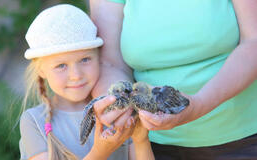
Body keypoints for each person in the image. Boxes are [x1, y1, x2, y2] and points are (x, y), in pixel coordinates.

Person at [90, 0, 257, 159]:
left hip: (240, 138)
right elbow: (109, 64)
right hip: (150, 144)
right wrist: (117, 104)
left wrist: (198, 105)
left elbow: (253, 42)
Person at [19, 4, 154, 160]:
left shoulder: (116, 110)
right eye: (61, 66)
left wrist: (140, 139)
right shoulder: (34, 121)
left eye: (85, 59)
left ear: (99, 58)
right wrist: (101, 152)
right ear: (41, 70)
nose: (76, 75)